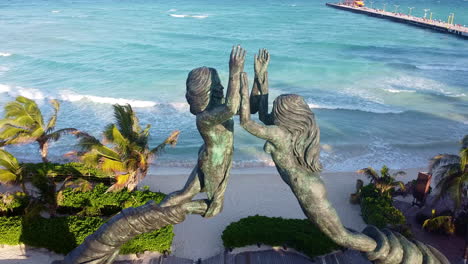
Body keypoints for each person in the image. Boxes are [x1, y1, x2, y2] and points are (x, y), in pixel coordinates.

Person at [238, 50, 376, 252]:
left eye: (276, 108)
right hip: (307, 185)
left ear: (285, 116)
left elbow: (246, 122)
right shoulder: (284, 132)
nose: (272, 111)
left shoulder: (279, 134)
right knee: (339, 235)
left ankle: (381, 250)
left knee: (342, 237)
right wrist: (261, 75)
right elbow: (262, 113)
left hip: (308, 189)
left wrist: (239, 86)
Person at [160, 45, 246, 218]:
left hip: (210, 157)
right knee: (215, 207)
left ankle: (157, 210)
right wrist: (234, 72)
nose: (221, 88)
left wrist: (260, 77)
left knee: (185, 194)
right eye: (218, 85)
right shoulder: (205, 117)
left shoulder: (216, 111)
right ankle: (175, 211)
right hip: (215, 162)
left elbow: (246, 108)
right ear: (208, 91)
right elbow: (231, 107)